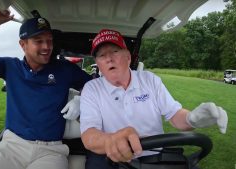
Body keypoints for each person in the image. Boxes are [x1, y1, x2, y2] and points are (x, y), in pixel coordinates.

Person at [79, 29, 228, 169]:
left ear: (128, 57)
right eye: (101, 55)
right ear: (98, 63)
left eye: (115, 51)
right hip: (114, 160)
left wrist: (192, 119)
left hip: (156, 158)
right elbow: (89, 135)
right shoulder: (92, 89)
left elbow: (175, 115)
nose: (109, 59)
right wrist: (111, 141)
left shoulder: (150, 80)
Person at [0, 9, 92, 169]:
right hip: (11, 147)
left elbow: (93, 86)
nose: (47, 46)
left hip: (51, 152)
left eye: (49, 40)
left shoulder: (64, 68)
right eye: (38, 41)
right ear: (23, 45)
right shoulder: (10, 67)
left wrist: (82, 99)